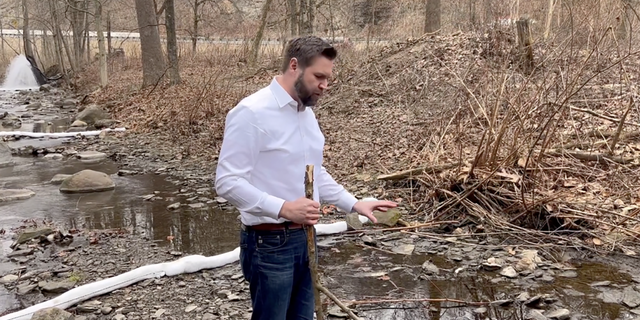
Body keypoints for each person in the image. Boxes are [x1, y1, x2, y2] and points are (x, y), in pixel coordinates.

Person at [214, 36, 397, 320]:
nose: (325, 85)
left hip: (306, 238)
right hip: (268, 243)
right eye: (319, 76)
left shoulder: (307, 115)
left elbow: (315, 173)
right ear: (294, 66)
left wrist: (354, 204)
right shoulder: (251, 112)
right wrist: (283, 207)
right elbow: (227, 181)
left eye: (328, 78)